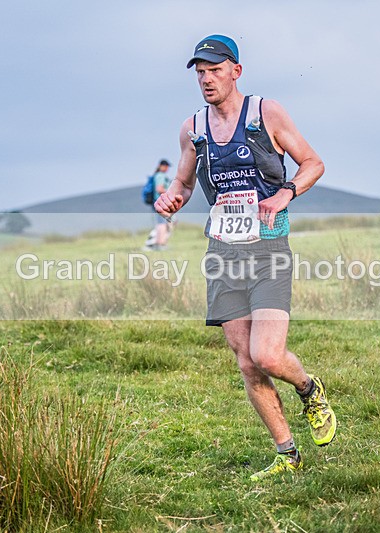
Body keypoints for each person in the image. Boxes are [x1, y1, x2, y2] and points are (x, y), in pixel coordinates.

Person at [155, 34, 336, 481]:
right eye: (200, 73)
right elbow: (184, 182)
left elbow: (313, 163)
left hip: (268, 249)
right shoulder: (193, 128)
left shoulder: (265, 113)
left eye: (215, 70)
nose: (206, 79)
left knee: (268, 355)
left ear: (236, 71)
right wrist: (172, 198)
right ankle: (287, 454)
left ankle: (309, 389)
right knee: (246, 361)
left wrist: (285, 193)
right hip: (222, 252)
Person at [144, 159, 173, 251]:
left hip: (157, 202)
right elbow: (159, 189)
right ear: (162, 166)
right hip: (161, 202)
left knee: (163, 223)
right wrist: (171, 193)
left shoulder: (156, 175)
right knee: (163, 224)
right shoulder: (160, 176)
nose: (167, 168)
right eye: (166, 166)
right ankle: (160, 243)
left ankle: (158, 243)